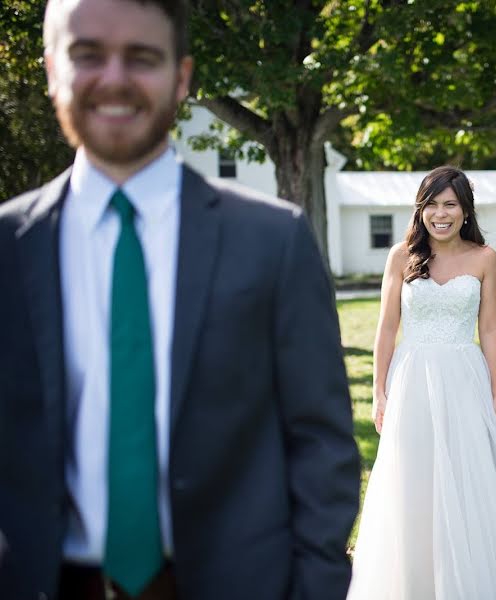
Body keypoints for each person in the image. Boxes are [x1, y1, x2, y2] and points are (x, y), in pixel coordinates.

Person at [0, 0, 360, 598]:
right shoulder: (8, 249)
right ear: (50, 70)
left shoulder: (273, 241)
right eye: (87, 55)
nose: (114, 78)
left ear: (182, 77)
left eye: (141, 58)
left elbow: (320, 444)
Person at [347, 166, 496, 599]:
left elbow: (490, 328)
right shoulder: (401, 256)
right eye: (432, 204)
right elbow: (385, 328)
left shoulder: (484, 258)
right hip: (413, 378)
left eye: (450, 204)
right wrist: (379, 390)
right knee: (412, 477)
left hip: (464, 378)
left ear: (464, 209)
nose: (441, 214)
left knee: (471, 476)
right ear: (421, 210)